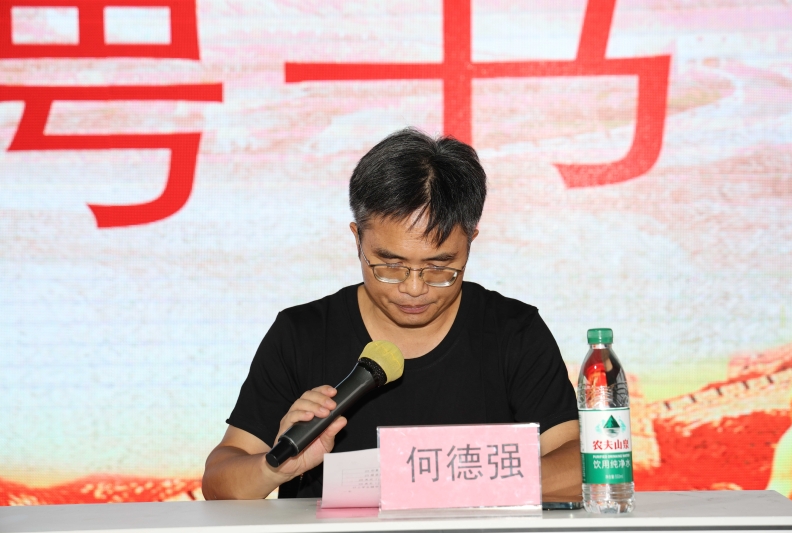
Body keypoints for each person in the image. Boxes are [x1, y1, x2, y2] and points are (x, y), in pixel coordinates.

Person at [202, 128, 581, 500]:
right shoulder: (302, 333)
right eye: (391, 266)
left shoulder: (513, 331)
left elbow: (577, 467)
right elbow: (219, 483)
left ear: (470, 242)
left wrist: (436, 483)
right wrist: (276, 467)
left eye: (439, 267)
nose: (414, 288)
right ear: (357, 239)